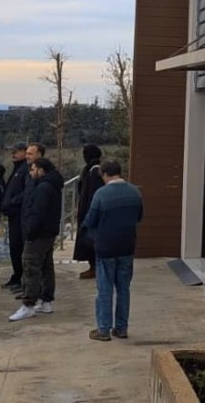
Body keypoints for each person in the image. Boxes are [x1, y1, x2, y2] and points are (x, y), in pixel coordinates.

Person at [83, 159, 143, 341]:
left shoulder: (101, 194)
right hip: (127, 246)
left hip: (106, 247)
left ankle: (103, 329)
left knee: (105, 289)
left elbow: (90, 220)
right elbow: (140, 216)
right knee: (124, 289)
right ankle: (121, 328)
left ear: (104, 174)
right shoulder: (135, 192)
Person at [8, 154, 63, 321]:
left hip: (38, 234)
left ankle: (28, 304)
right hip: (49, 233)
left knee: (30, 267)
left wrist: (30, 231)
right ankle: (46, 302)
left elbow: (37, 213)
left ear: (40, 170)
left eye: (32, 170)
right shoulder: (54, 185)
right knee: (47, 267)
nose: (30, 173)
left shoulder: (42, 188)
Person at [0, 142, 30, 293]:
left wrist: (13, 202)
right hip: (12, 214)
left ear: (25, 152)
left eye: (16, 151)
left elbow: (27, 191)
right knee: (14, 248)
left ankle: (22, 278)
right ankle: (17, 275)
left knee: (19, 247)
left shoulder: (26, 169)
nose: (13, 154)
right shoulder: (16, 169)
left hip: (19, 215)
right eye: (12, 151)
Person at [72, 144, 105, 279]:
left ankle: (95, 268)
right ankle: (93, 267)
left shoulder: (94, 171)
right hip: (86, 209)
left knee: (90, 239)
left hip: (90, 211)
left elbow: (93, 195)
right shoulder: (92, 170)